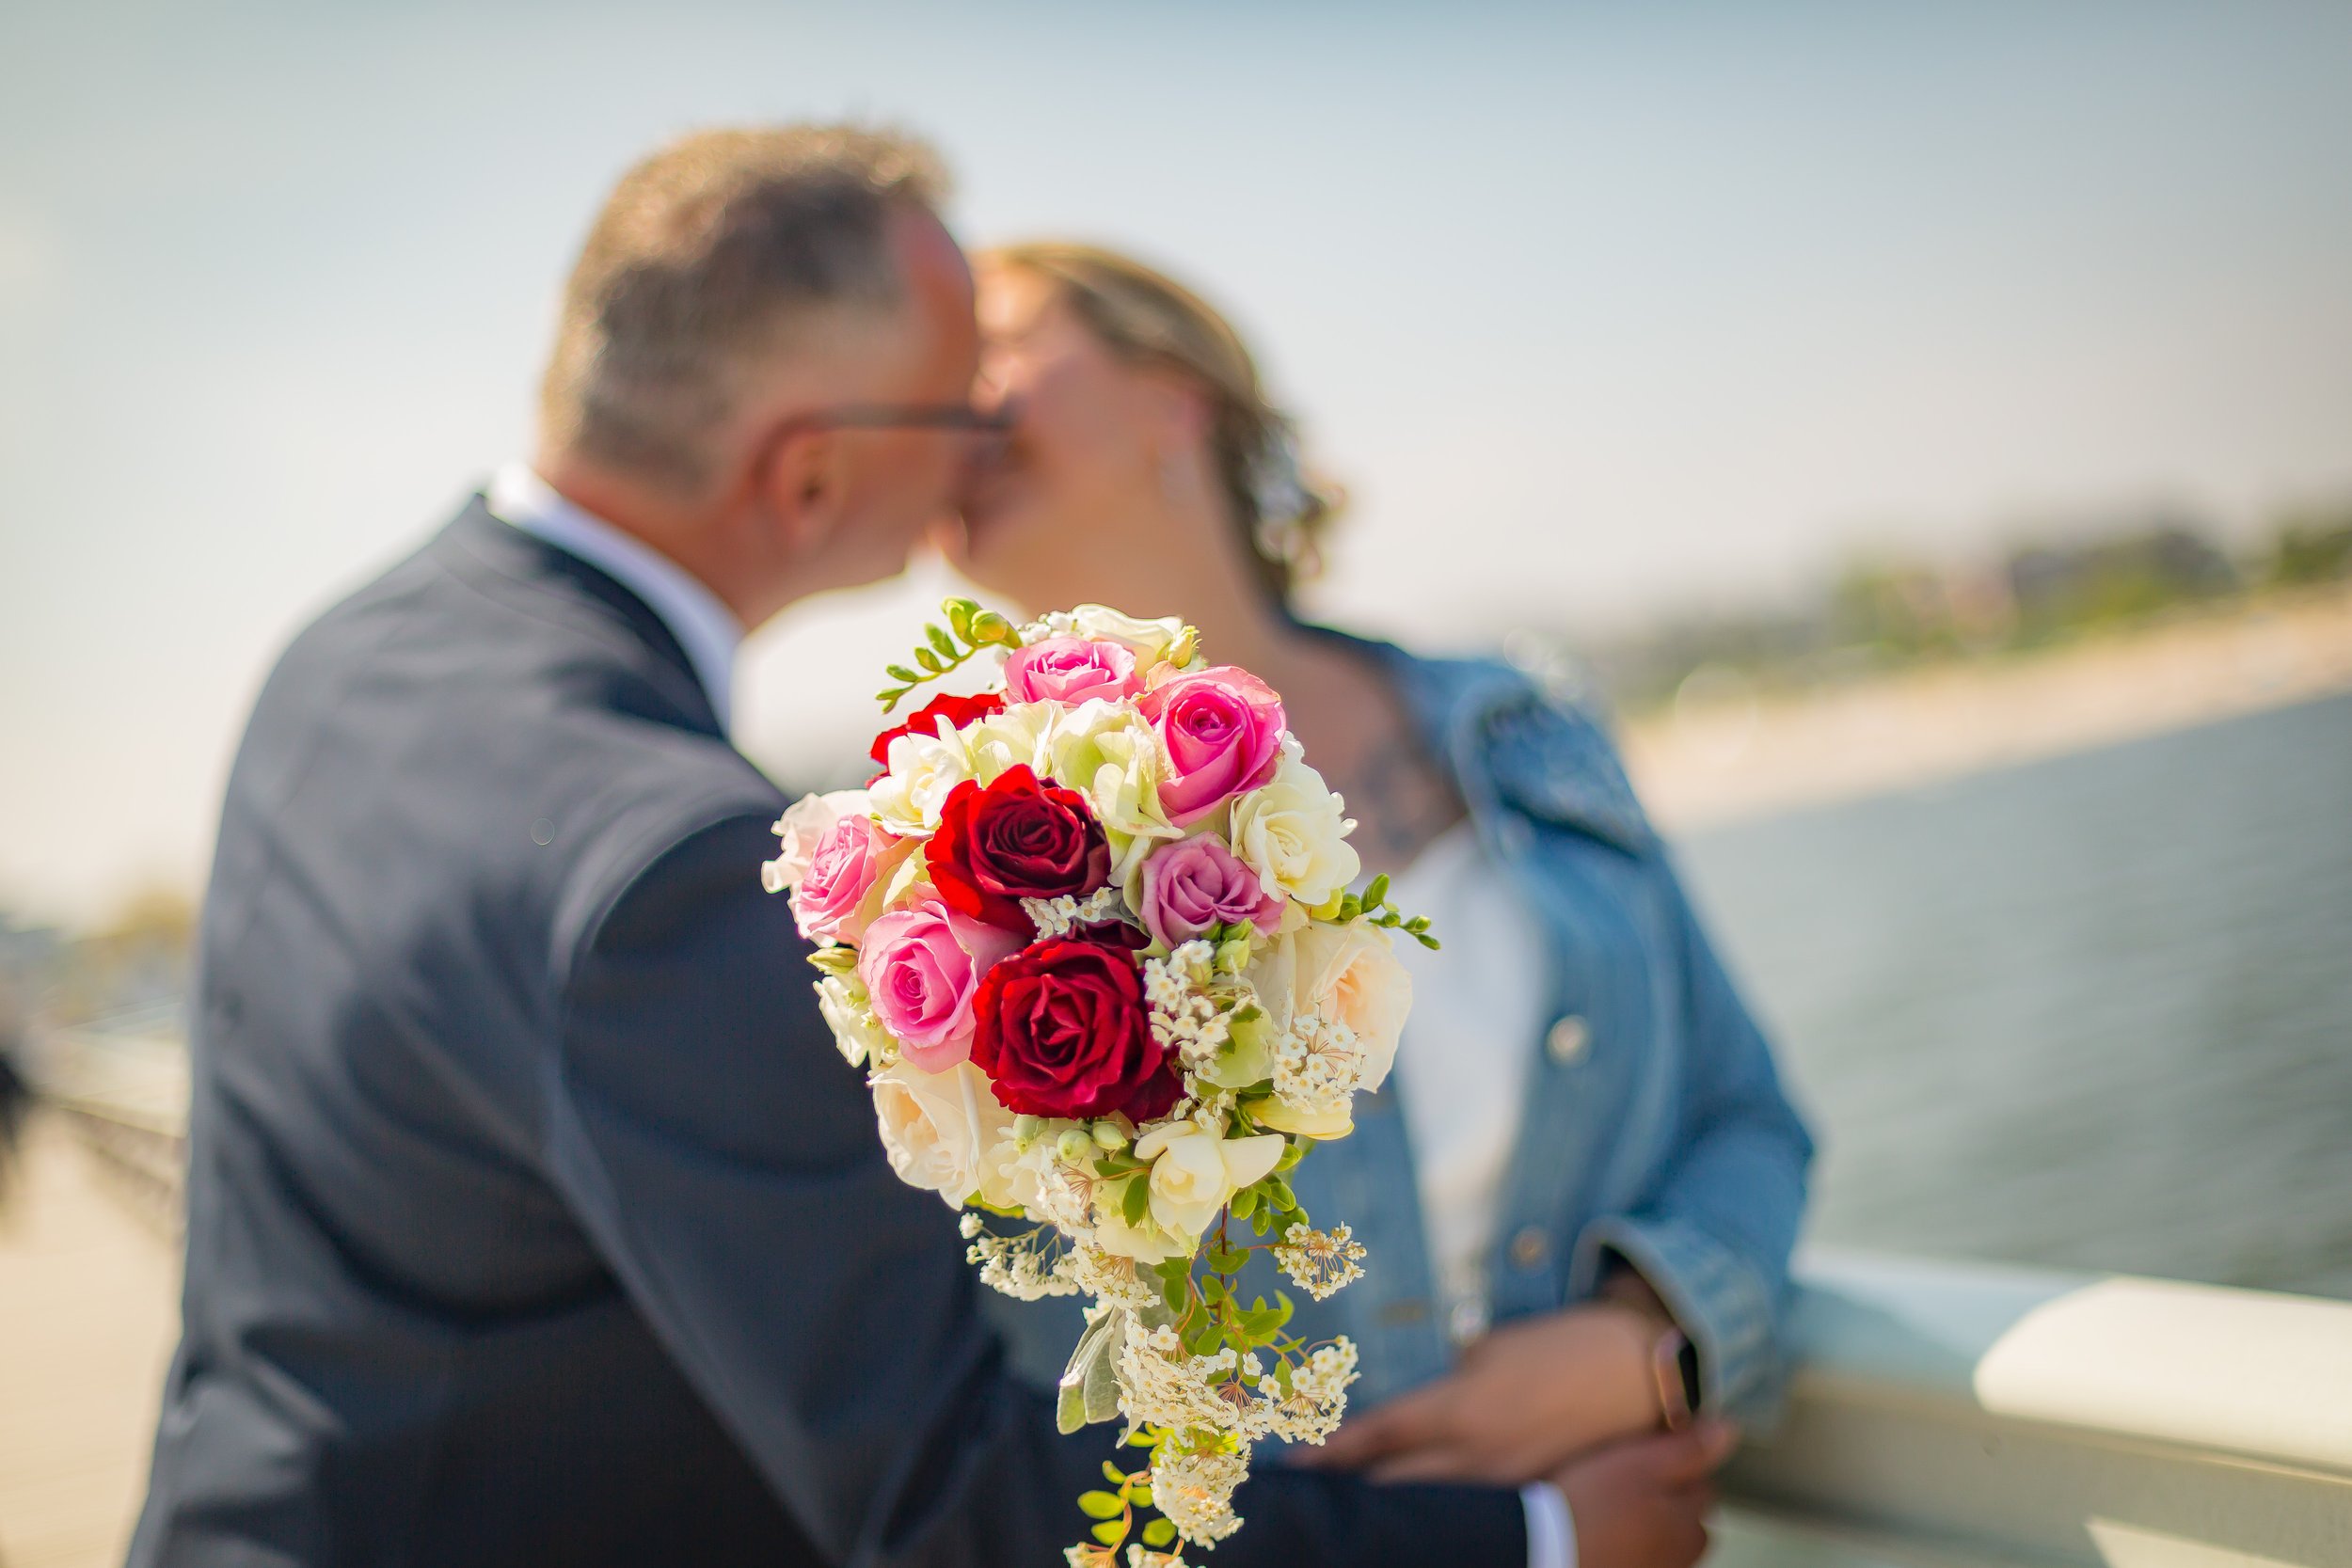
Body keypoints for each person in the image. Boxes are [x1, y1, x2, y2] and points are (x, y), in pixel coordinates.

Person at [126, 126, 1721, 1568]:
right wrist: (1531, 1547)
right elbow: (944, 1497)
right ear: (809, 470)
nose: (977, 439)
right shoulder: (668, 866)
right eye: (952, 401)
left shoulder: (346, 661)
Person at [953, 243, 1813, 1537]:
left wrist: (1651, 1338)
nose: (941, 406)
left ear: (1168, 396)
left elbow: (1747, 1114)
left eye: (993, 345)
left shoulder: (1519, 726)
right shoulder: (952, 880)